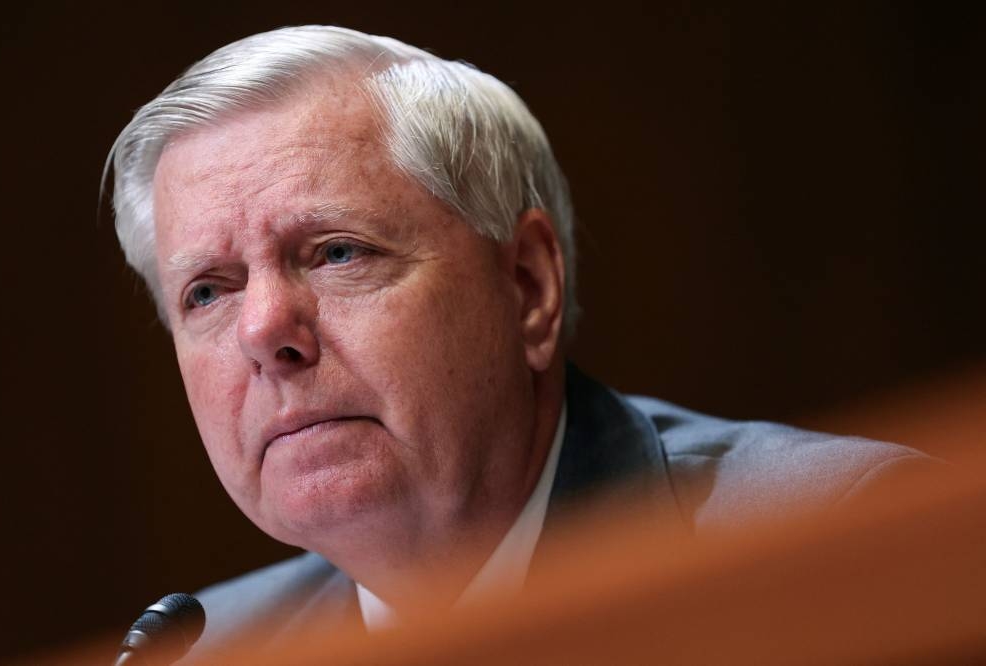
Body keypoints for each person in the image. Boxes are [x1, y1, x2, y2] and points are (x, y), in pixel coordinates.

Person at [107, 25, 943, 656]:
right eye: (208, 292)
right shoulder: (217, 652)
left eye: (337, 252)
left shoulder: (835, 549)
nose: (263, 332)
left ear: (529, 288)